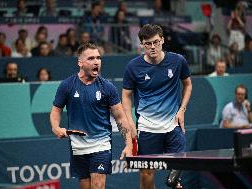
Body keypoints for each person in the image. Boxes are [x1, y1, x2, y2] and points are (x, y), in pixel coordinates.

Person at [50, 42, 132, 189]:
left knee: (97, 185)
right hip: (78, 146)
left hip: (101, 144)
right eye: (91, 58)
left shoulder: (108, 87)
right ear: (80, 63)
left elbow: (120, 117)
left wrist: (128, 144)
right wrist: (56, 128)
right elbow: (56, 110)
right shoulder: (67, 85)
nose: (96, 62)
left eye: (98, 58)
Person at [122, 24, 192, 189]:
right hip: (147, 128)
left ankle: (175, 181)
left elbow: (188, 85)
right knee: (146, 175)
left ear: (162, 40)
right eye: (148, 44)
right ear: (142, 45)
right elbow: (126, 95)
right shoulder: (133, 67)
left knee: (176, 176)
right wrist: (130, 122)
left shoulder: (178, 61)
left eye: (156, 42)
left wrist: (182, 110)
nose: (152, 47)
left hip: (173, 126)